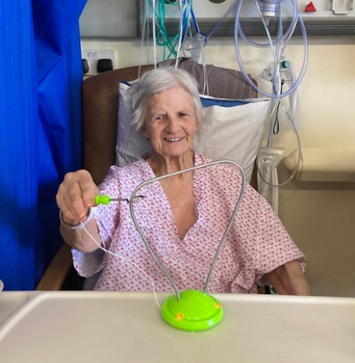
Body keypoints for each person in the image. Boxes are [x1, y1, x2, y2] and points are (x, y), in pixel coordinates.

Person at [56, 67, 310, 295]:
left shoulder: (227, 179)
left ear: (197, 122)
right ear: (144, 128)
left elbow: (280, 259)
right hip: (133, 320)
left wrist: (306, 324)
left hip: (213, 322)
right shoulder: (124, 183)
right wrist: (74, 214)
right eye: (159, 117)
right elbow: (86, 239)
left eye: (182, 115)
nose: (173, 127)